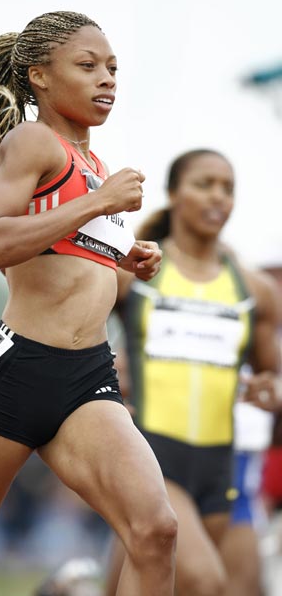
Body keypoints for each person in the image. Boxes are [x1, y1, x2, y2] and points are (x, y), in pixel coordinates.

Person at [0, 10, 178, 596]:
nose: (106, 79)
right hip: (15, 372)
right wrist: (99, 205)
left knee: (155, 531)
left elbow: (64, 256)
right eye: (87, 66)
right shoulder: (33, 142)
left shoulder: (94, 168)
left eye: (112, 68)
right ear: (40, 76)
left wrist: (129, 258)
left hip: (87, 376)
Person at [105, 148, 282, 596]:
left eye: (228, 188)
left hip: (219, 466)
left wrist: (273, 391)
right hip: (151, 456)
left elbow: (273, 375)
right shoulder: (136, 271)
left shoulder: (255, 290)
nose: (218, 196)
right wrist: (106, 377)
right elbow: (74, 331)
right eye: (205, 184)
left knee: (152, 583)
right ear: (173, 194)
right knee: (205, 583)